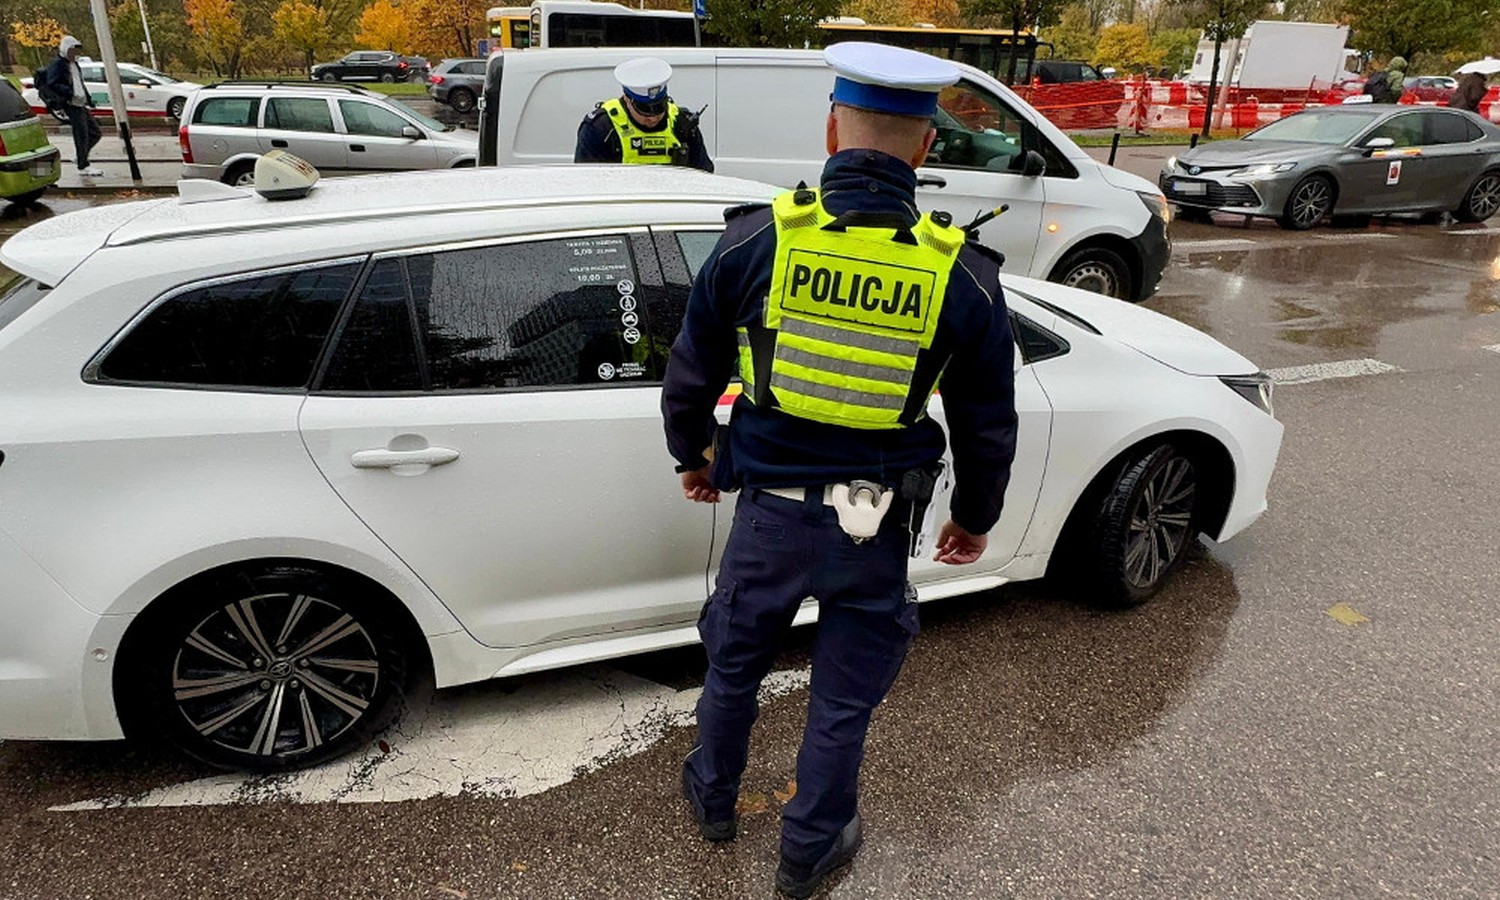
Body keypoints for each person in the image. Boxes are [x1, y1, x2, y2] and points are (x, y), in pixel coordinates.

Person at [662, 42, 1017, 899]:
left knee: (734, 666)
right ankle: (808, 851)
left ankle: (713, 798)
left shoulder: (755, 245)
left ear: (831, 130)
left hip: (769, 521)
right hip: (872, 527)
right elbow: (985, 420)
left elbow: (691, 369)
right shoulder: (958, 275)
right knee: (841, 701)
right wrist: (975, 516)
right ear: (925, 145)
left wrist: (694, 458)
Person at [574, 57, 713, 172]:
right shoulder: (600, 127)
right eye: (644, 110)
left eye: (659, 108)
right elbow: (588, 182)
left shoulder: (682, 122)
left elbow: (704, 174)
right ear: (627, 99)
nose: (652, 117)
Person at [43, 35, 103, 177]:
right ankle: (83, 165)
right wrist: (70, 93)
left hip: (80, 103)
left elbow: (79, 83)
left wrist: (88, 98)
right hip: (71, 103)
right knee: (81, 133)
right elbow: (53, 82)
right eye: (72, 51)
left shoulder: (74, 64)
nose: (75, 54)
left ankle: (80, 157)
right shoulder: (58, 64)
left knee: (95, 132)